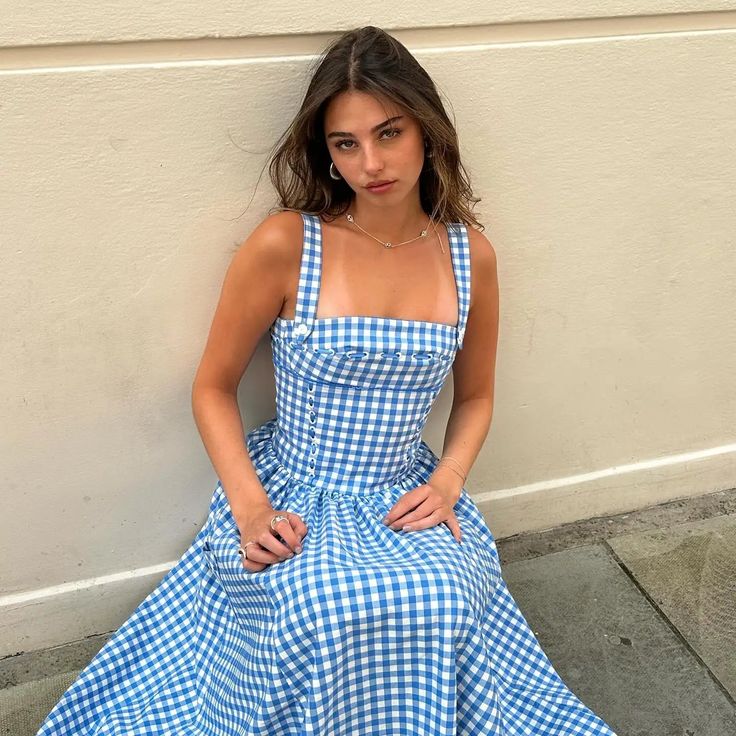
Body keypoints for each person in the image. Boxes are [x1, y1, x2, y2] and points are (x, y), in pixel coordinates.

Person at [36, 25, 617, 736]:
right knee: (318, 606)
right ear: (327, 153)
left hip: (405, 489)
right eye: (346, 143)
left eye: (389, 133)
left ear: (427, 131)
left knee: (444, 595)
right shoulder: (289, 243)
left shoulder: (470, 256)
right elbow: (212, 387)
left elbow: (477, 395)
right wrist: (251, 510)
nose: (370, 162)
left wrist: (450, 480)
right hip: (293, 488)